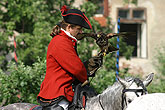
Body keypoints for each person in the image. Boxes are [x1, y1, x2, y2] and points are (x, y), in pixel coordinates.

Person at [37, 5, 102, 110]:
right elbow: (76, 68)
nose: (81, 32)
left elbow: (72, 66)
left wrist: (86, 65)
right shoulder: (61, 42)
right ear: (69, 27)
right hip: (58, 92)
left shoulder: (67, 40)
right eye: (79, 29)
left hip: (67, 90)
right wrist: (84, 75)